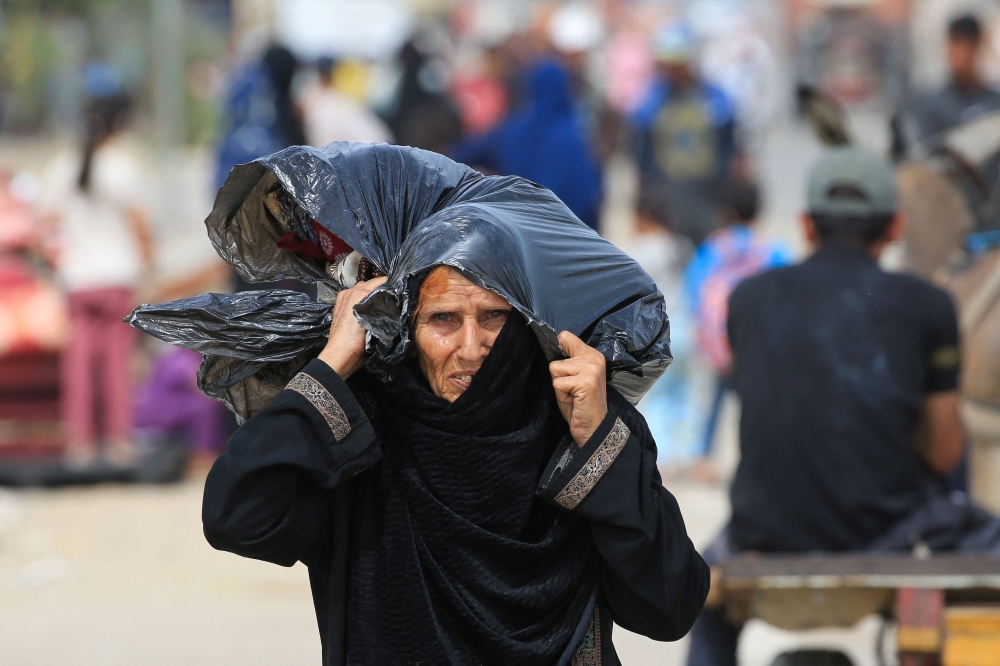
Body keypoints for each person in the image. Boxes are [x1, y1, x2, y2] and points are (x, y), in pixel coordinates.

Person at [202, 262, 709, 665]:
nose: (472, 348)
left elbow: (669, 607)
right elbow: (238, 517)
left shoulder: (582, 423)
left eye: (494, 317)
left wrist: (599, 441)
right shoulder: (362, 436)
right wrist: (333, 362)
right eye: (443, 319)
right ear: (405, 328)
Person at [685, 148, 1000, 666]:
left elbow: (777, 412)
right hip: (889, 534)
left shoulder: (748, 298)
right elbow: (944, 452)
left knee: (702, 595)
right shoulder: (928, 305)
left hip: (763, 533)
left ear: (806, 225)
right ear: (895, 227)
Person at [40, 85, 151, 467]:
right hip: (116, 275)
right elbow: (140, 225)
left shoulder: (62, 166)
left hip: (78, 278)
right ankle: (119, 440)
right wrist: (149, 264)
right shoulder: (121, 166)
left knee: (79, 363)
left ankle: (81, 443)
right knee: (117, 361)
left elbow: (48, 222)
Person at [683, 179, 790, 476]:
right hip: (758, 343)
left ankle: (704, 458)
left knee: (714, 401)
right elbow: (785, 293)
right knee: (754, 403)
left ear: (725, 212)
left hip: (719, 344)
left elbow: (694, 288)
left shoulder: (713, 248)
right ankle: (754, 458)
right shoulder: (771, 250)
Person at [452, 58, 604, 231]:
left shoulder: (511, 131)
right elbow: (591, 191)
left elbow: (460, 156)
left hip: (523, 230)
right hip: (571, 234)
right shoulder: (579, 134)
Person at [632, 23, 737, 245]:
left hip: (707, 194)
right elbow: (641, 146)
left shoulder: (712, 96)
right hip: (667, 195)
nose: (672, 70)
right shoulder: (653, 100)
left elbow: (730, 138)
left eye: (677, 63)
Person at [912, 15, 1000, 141]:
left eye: (965, 45)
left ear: (977, 47)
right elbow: (927, 151)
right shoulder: (933, 104)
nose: (957, 53)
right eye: (954, 44)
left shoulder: (995, 102)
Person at [299, 56, 392, 148]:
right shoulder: (338, 100)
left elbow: (325, 152)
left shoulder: (322, 110)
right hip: (377, 148)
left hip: (371, 152)